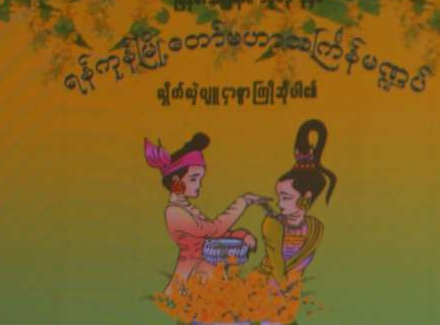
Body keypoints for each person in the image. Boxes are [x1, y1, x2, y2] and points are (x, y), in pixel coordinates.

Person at [143, 131, 264, 289]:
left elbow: (213, 235)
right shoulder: (174, 212)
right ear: (176, 180)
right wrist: (244, 201)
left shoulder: (187, 208)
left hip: (209, 270)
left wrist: (242, 235)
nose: (199, 185)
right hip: (191, 272)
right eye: (193, 179)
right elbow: (213, 230)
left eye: (200, 179)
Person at [257, 118, 336, 286]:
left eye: (286, 197)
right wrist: (285, 289)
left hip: (294, 290)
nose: (279, 204)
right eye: (279, 197)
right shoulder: (272, 224)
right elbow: (276, 266)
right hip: (262, 286)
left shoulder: (315, 228)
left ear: (306, 196)